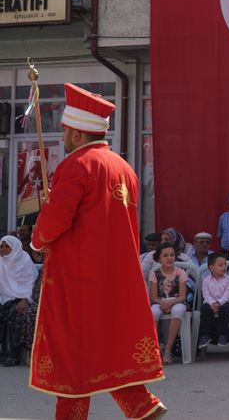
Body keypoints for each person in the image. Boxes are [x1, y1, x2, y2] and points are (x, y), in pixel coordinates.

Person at [28, 83, 166, 418]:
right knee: (106, 344)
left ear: (76, 134)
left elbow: (56, 220)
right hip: (113, 275)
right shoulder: (123, 167)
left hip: (76, 278)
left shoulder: (76, 166)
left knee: (71, 355)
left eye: (64, 130)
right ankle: (141, 406)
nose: (62, 135)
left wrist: (36, 238)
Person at [1, 235, 38, 366]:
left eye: (7, 246)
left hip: (23, 298)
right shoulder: (1, 262)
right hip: (5, 297)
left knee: (16, 313)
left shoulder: (25, 260)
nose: (3, 249)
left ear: (15, 248)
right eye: (1, 246)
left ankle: (13, 355)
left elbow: (31, 283)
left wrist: (26, 299)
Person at [148, 243, 188, 365]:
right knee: (153, 312)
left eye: (172, 255)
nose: (169, 258)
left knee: (178, 311)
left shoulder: (180, 273)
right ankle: (154, 350)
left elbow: (182, 296)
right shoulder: (154, 274)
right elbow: (154, 297)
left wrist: (170, 303)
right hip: (160, 302)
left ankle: (168, 350)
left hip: (176, 301)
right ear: (159, 259)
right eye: (165, 255)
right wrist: (163, 304)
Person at [198, 253, 229, 349]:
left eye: (225, 265)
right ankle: (206, 335)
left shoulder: (228, 279)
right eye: (220, 265)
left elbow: (228, 294)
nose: (224, 267)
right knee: (205, 309)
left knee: (226, 309)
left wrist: (219, 303)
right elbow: (206, 294)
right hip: (210, 303)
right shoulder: (206, 280)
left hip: (224, 303)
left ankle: (223, 334)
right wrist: (212, 303)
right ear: (211, 267)